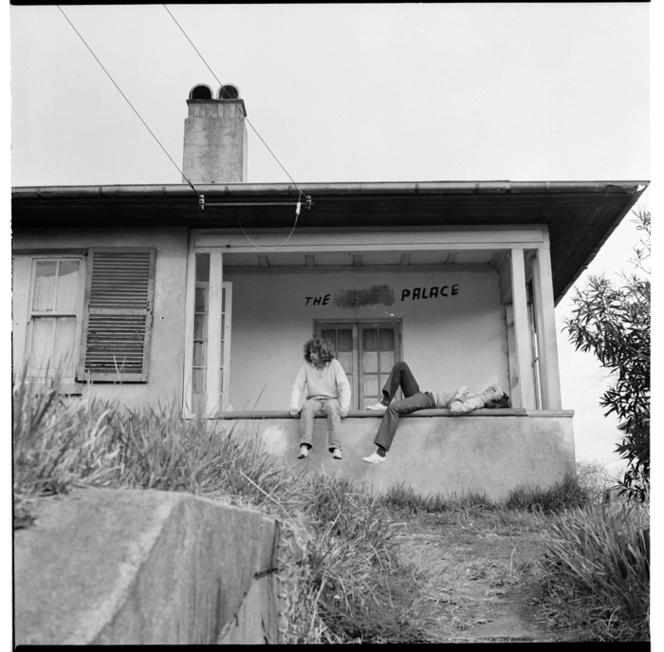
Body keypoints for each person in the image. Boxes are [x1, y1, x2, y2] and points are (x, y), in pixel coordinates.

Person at [362, 360, 511, 464]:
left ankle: (381, 453)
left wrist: (460, 392)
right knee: (401, 366)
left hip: (429, 402)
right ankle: (385, 401)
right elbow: (494, 386)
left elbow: (455, 409)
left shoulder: (478, 402)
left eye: (494, 394)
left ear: (494, 401)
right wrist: (498, 389)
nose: (491, 391)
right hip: (424, 395)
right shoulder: (482, 396)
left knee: (394, 409)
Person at [290, 337, 351, 460]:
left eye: (314, 352)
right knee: (306, 407)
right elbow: (298, 387)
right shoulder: (307, 366)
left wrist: (345, 406)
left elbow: (344, 386)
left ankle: (336, 448)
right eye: (310, 352)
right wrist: (294, 405)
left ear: (323, 352)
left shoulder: (335, 365)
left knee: (333, 407)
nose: (311, 355)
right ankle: (304, 446)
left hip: (331, 399)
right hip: (314, 399)